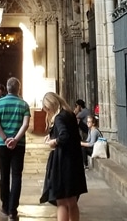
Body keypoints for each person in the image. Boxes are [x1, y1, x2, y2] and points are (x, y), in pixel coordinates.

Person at [40, 92, 87, 221]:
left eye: (47, 109)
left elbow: (64, 135)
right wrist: (52, 136)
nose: (47, 112)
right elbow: (73, 136)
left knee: (61, 201)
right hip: (74, 161)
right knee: (72, 201)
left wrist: (53, 142)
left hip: (62, 164)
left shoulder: (59, 117)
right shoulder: (70, 114)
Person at [0, 76, 31, 221]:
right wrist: (15, 139)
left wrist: (5, 138)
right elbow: (25, 124)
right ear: (18, 89)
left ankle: (5, 205)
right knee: (16, 176)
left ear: (7, 88)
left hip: (3, 145)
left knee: (4, 175)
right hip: (18, 145)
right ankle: (13, 210)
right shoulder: (24, 104)